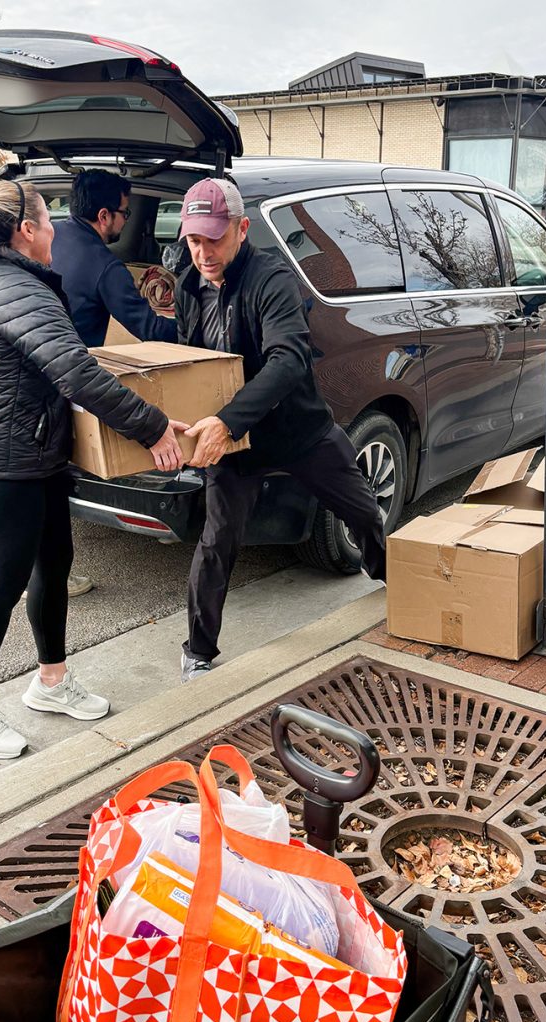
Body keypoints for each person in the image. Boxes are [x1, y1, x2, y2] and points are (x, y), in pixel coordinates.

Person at [0, 180, 187, 759]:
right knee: (2, 584)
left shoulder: (15, 281)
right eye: (48, 223)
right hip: (2, 465)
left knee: (53, 568)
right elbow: (76, 372)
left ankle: (51, 681)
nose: (56, 232)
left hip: (37, 455)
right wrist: (152, 427)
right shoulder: (12, 288)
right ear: (26, 231)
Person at [175, 178, 387, 684]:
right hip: (234, 447)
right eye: (193, 240)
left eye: (214, 238)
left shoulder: (272, 279)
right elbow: (190, 364)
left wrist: (227, 421)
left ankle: (387, 575)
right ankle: (198, 651)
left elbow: (288, 359)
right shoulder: (187, 282)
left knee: (361, 507)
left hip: (298, 430)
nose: (203, 252)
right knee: (217, 538)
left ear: (242, 229)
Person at [50, 168, 178, 348]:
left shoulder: (46, 234)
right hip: (70, 366)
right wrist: (194, 328)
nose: (125, 221)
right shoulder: (106, 267)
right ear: (104, 216)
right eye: (125, 213)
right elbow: (150, 329)